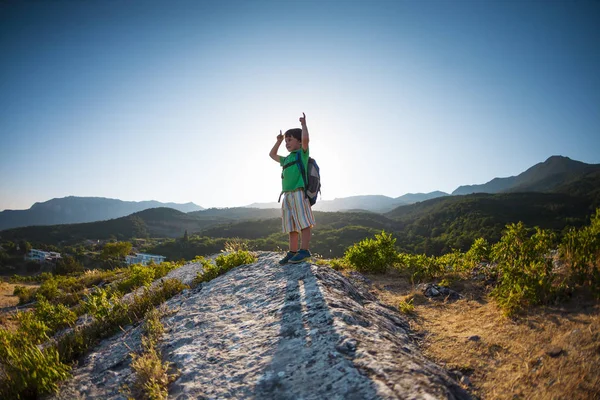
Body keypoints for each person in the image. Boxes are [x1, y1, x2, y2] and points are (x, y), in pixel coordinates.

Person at [269, 112, 316, 265]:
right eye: (286, 141)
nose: (287, 143)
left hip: (299, 193)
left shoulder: (301, 154)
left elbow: (306, 139)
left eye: (290, 140)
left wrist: (303, 125)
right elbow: (272, 154)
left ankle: (304, 250)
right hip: (287, 195)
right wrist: (279, 140)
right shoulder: (286, 159)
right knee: (291, 226)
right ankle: (293, 251)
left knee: (304, 222)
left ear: (298, 141)